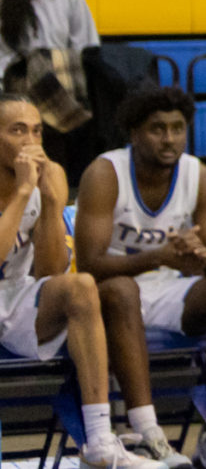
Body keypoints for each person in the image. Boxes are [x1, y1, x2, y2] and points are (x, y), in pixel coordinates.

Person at [75, 85, 206, 469]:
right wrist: (158, 257)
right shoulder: (105, 173)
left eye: (178, 129)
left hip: (168, 290)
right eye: (157, 129)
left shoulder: (198, 175)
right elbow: (89, 265)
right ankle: (147, 435)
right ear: (134, 133)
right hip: (112, 299)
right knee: (122, 291)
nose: (169, 138)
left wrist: (200, 258)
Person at [0, 92, 148, 468]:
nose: (30, 142)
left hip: (11, 298)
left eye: (37, 131)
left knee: (80, 287)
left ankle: (98, 441)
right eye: (17, 131)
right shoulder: (23, 185)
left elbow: (49, 273)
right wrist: (22, 192)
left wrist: (51, 204)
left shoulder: (46, 178)